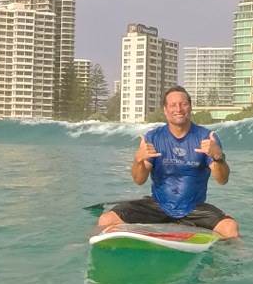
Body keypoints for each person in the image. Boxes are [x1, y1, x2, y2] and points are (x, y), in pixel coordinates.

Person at [98, 86, 240, 239]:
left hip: (194, 209)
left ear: (190, 107)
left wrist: (218, 157)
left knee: (230, 228)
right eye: (173, 105)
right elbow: (139, 180)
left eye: (183, 104)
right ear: (165, 110)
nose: (178, 109)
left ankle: (235, 253)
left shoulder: (206, 138)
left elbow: (222, 180)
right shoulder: (153, 137)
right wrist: (138, 159)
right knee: (106, 220)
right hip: (158, 206)